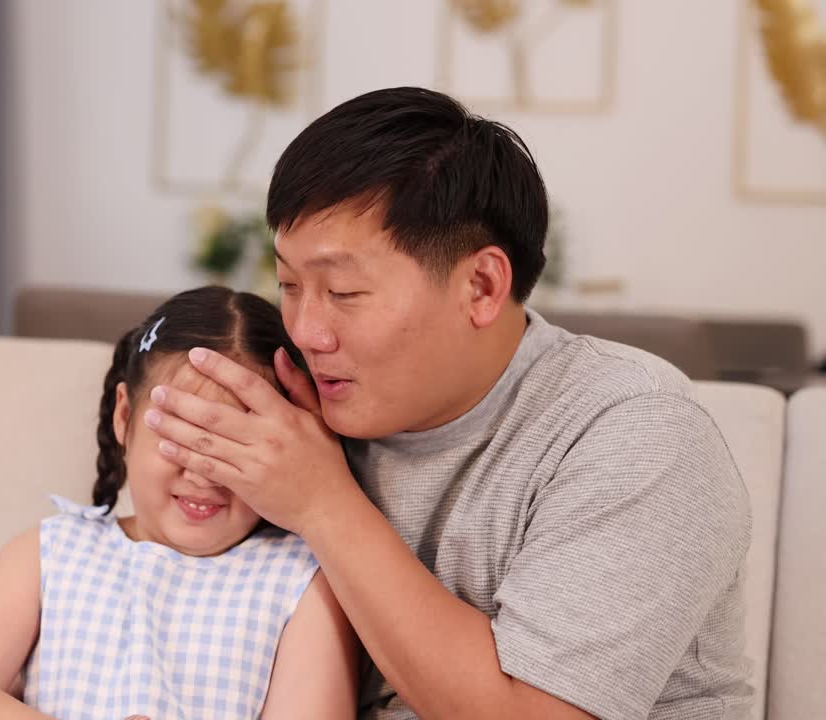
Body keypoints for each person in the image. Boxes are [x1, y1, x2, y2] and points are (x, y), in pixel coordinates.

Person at [144, 88, 752, 719]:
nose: (304, 330)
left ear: (482, 287)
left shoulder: (636, 430)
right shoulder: (300, 409)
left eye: (345, 292)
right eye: (290, 285)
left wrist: (323, 503)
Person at [0, 286, 359, 720]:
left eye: (236, 445)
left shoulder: (301, 582)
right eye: (178, 433)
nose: (202, 473)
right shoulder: (53, 554)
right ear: (125, 416)